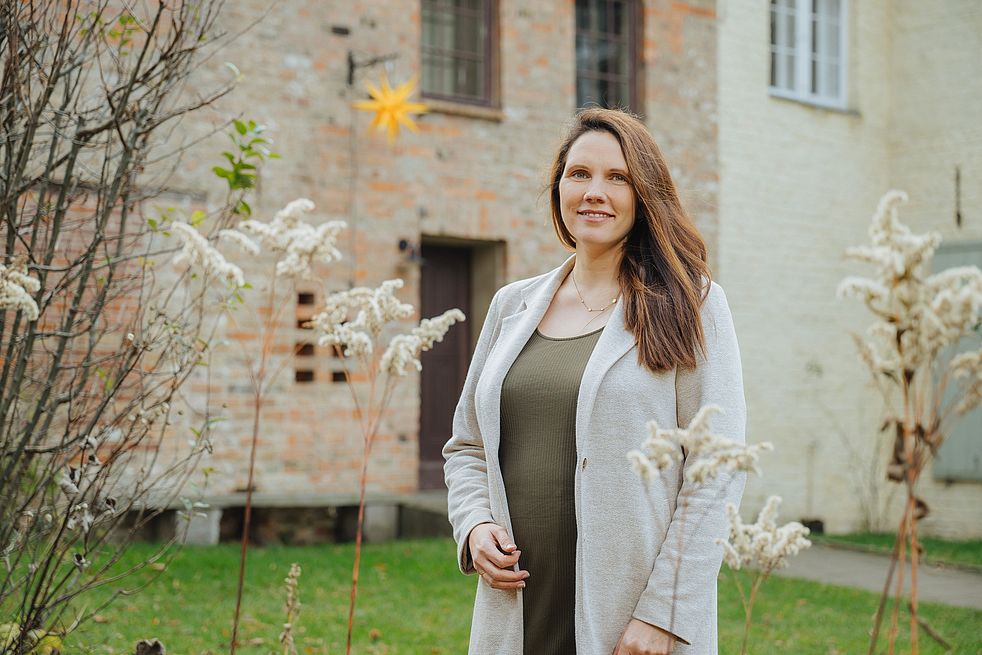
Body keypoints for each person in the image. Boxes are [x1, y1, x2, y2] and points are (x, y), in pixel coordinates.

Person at [443, 107, 746, 655]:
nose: (594, 192)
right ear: (559, 186)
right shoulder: (511, 307)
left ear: (644, 193)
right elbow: (467, 446)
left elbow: (716, 472)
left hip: (631, 621)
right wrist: (473, 525)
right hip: (517, 612)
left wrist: (665, 615)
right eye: (579, 174)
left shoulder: (692, 304)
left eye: (618, 177)